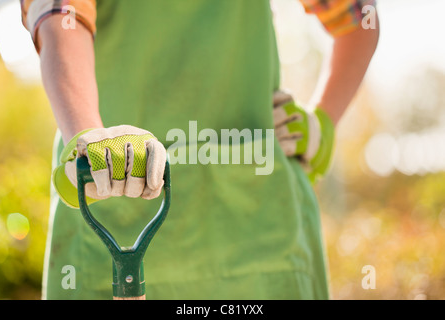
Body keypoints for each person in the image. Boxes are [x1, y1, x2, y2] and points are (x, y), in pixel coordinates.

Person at [21, 0, 379, 299]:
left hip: (265, 238)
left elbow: (360, 17)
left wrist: (323, 123)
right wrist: (89, 135)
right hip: (109, 216)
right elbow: (62, 19)